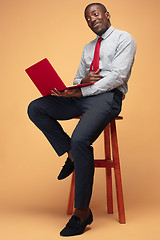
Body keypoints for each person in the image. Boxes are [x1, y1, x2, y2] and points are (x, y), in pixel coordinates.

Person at [27, 2, 136, 237]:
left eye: (95, 14)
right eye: (88, 18)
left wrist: (84, 90)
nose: (92, 19)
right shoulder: (88, 48)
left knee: (80, 139)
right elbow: (78, 79)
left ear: (106, 15)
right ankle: (72, 155)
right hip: (83, 95)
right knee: (36, 108)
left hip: (107, 98)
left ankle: (82, 212)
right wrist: (78, 83)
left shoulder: (124, 38)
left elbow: (118, 76)